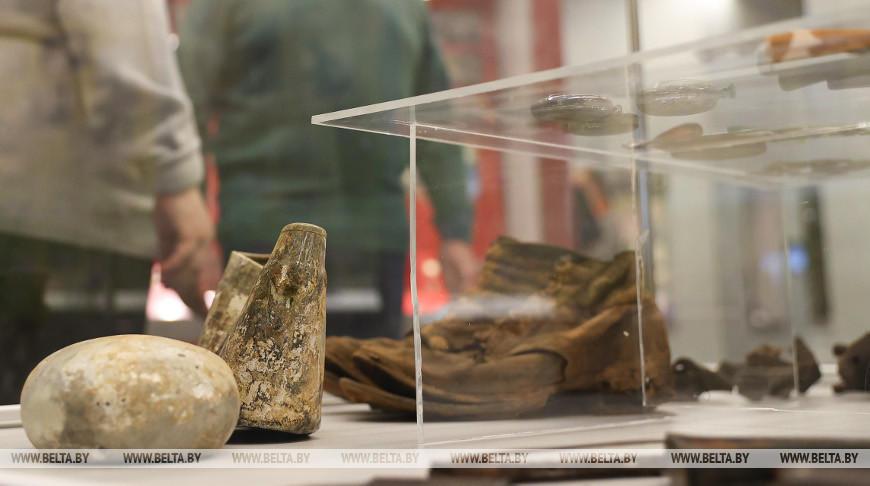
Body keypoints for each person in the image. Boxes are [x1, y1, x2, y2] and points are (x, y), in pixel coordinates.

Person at [178, 0, 478, 338]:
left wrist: (457, 231)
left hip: (371, 240)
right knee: (260, 369)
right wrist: (191, 231)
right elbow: (187, 106)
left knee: (365, 369)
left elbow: (433, 118)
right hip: (265, 236)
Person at [0, 0, 219, 404]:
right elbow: (123, 54)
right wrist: (176, 182)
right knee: (78, 420)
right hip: (70, 224)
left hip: (27, 206)